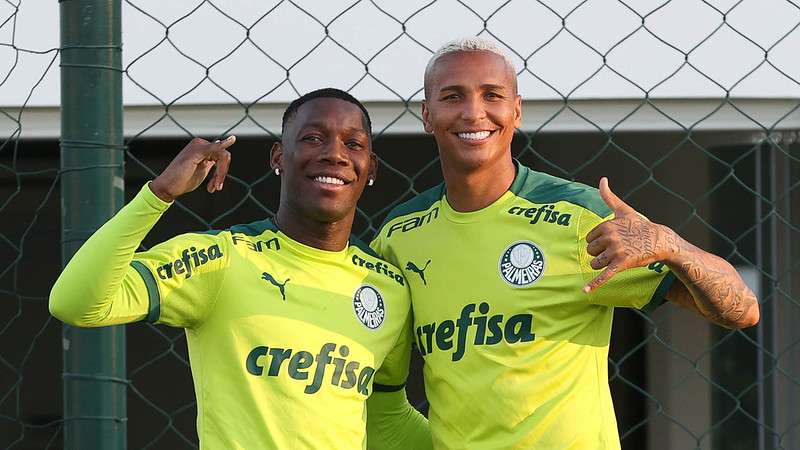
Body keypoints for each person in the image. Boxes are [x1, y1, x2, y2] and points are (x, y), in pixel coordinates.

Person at [369, 37, 760, 450]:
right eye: (452, 97)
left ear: (516, 110)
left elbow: (743, 310)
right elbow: (377, 388)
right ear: (427, 115)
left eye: (492, 95)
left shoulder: (578, 215)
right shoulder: (399, 236)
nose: (473, 112)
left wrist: (671, 245)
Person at [49, 88, 431, 449]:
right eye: (313, 138)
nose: (335, 154)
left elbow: (384, 418)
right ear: (278, 157)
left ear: (370, 168)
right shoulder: (223, 258)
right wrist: (159, 194)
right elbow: (76, 303)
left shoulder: (389, 288)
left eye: (353, 144)